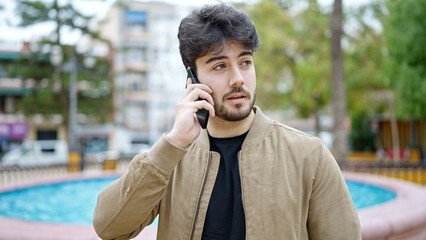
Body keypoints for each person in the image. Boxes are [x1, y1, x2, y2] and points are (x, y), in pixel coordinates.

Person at [93, 3, 361, 240]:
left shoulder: (310, 156)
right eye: (219, 66)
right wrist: (172, 144)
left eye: (245, 62)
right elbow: (109, 227)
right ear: (193, 78)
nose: (238, 79)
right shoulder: (171, 158)